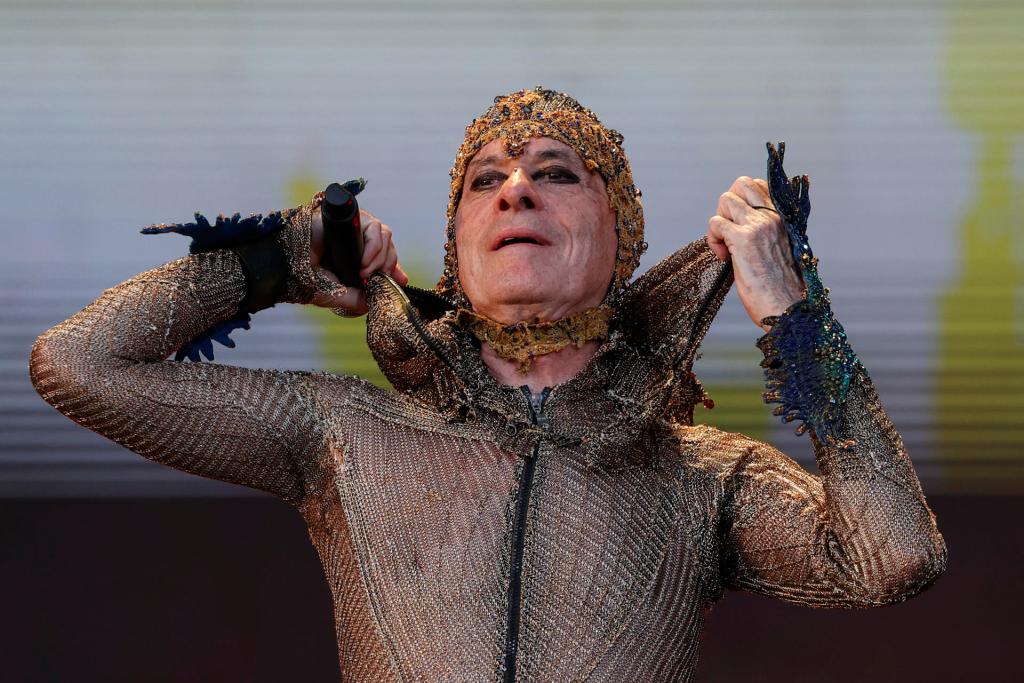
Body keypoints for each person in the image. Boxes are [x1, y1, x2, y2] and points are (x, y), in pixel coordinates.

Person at [29, 87, 946, 682]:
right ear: (458, 251)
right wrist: (281, 259)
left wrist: (795, 308)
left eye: (555, 173)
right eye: (485, 181)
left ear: (621, 238)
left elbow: (893, 555)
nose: (515, 191)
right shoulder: (345, 436)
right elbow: (76, 365)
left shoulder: (699, 476)